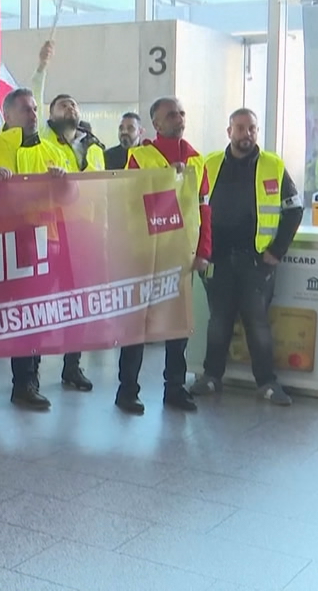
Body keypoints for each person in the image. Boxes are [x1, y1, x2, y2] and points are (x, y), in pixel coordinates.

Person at [0, 88, 69, 415]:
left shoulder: (53, 152)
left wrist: (65, 183)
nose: (33, 114)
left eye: (34, 108)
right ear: (6, 115)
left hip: (39, 246)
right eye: (25, 109)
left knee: (30, 319)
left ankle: (26, 385)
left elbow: (72, 199)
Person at [191, 108, 302, 407]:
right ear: (229, 132)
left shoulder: (273, 165)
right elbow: (192, 206)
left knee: (257, 323)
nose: (246, 134)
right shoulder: (209, 164)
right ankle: (211, 377)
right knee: (219, 321)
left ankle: (267, 383)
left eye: (251, 128)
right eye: (240, 128)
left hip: (256, 261)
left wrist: (277, 251)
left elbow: (294, 209)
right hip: (217, 259)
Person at [116, 97, 211, 414]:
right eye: (171, 115)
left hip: (181, 255)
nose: (178, 118)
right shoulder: (140, 157)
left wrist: (204, 250)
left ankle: (175, 388)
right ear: (156, 123)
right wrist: (165, 180)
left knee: (178, 327)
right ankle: (127, 390)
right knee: (137, 326)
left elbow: (204, 209)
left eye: (181, 113)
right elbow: (129, 202)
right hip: (145, 254)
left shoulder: (197, 160)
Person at [40, 92, 105, 392]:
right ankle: (30, 372)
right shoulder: (42, 143)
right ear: (51, 115)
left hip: (83, 233)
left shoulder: (94, 148)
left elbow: (101, 189)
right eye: (63, 105)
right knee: (38, 300)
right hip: (49, 231)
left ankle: (72, 365)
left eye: (74, 104)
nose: (70, 107)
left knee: (78, 302)